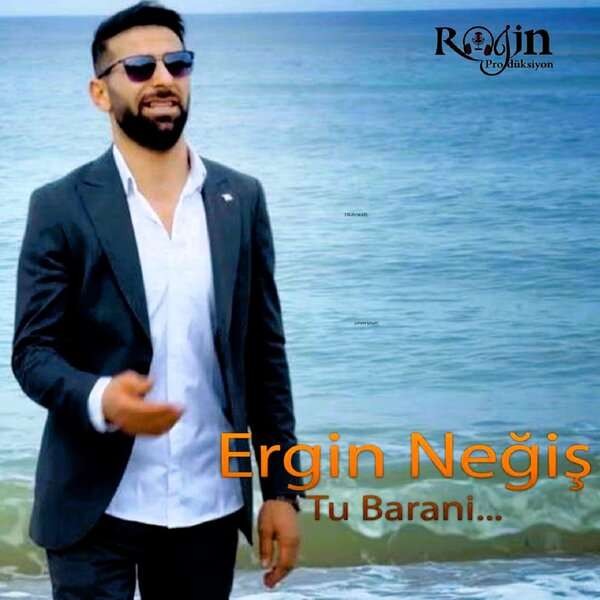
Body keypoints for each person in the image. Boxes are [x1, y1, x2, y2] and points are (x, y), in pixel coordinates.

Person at [11, 2, 303, 598]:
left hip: (208, 503)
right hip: (95, 506)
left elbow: (263, 356)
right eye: (141, 67)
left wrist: (281, 491)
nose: (164, 78)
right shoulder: (60, 205)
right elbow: (32, 353)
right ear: (100, 92)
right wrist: (103, 397)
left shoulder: (241, 199)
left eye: (178, 63)